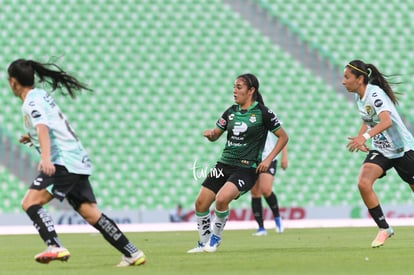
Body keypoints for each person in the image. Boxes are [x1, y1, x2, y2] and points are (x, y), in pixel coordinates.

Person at [7, 58, 146, 266]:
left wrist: (45, 157)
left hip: (62, 161)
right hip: (76, 160)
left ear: (13, 82)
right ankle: (132, 252)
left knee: (30, 202)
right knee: (91, 214)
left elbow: (43, 126)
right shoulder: (41, 95)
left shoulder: (31, 102)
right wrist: (32, 137)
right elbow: (49, 124)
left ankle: (54, 245)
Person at [187, 73, 288, 253]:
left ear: (251, 91)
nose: (234, 91)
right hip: (224, 164)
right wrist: (211, 135)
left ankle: (215, 239)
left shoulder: (263, 113)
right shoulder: (230, 112)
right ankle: (203, 243)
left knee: (222, 199)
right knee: (200, 203)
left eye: (239, 87)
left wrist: (267, 159)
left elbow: (283, 137)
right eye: (234, 87)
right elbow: (216, 135)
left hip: (246, 168)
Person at [343, 59, 414, 248]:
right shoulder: (359, 97)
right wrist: (360, 137)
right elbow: (368, 119)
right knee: (363, 183)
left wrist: (364, 137)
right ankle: (384, 228)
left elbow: (386, 121)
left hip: (402, 150)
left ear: (359, 79)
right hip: (382, 150)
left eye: (347, 77)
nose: (343, 81)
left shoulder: (375, 94)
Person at [251, 133, 288, 236]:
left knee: (266, 189)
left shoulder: (269, 116)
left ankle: (277, 219)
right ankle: (261, 228)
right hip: (253, 159)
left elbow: (283, 136)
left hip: (268, 158)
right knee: (255, 192)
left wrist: (284, 157)